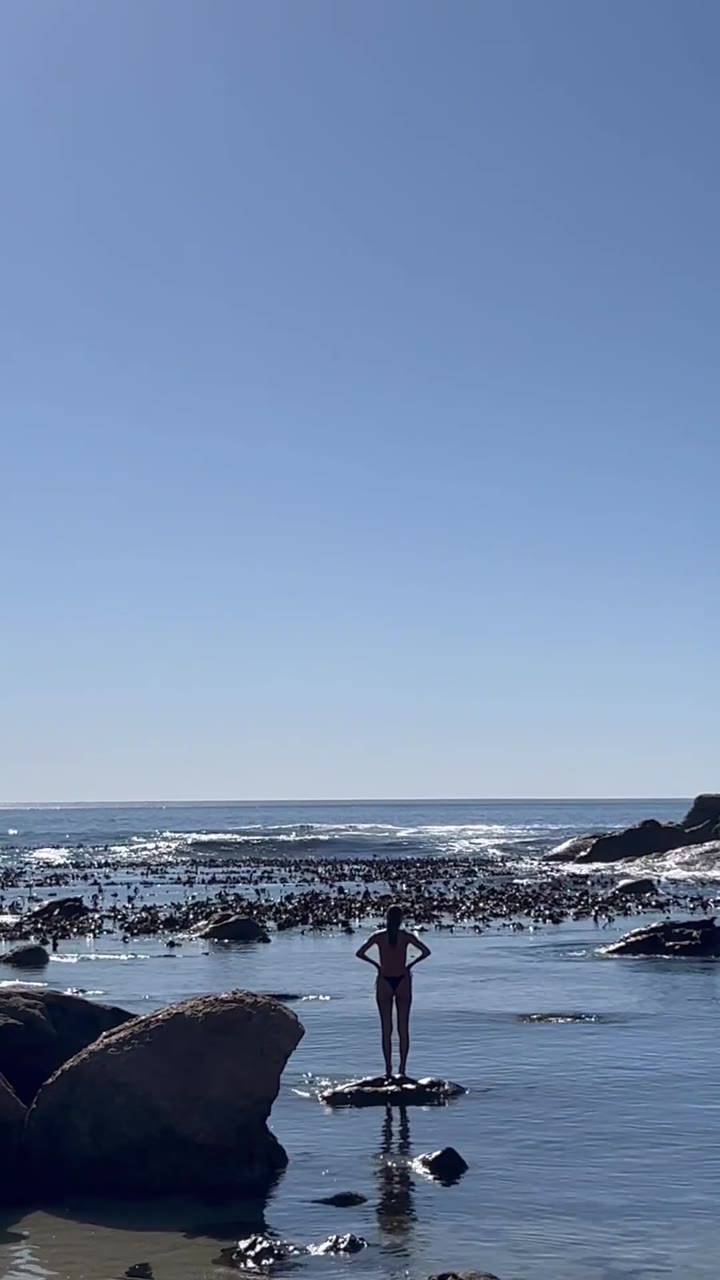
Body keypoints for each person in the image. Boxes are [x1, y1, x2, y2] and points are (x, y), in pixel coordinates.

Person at [356, 905, 431, 1078]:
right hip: (403, 979)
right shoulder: (405, 936)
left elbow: (360, 953)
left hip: (384, 979)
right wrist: (409, 965)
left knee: (386, 1028)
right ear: (401, 919)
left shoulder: (379, 936)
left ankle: (388, 1070)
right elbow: (426, 952)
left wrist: (377, 965)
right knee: (403, 1028)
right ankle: (402, 1070)